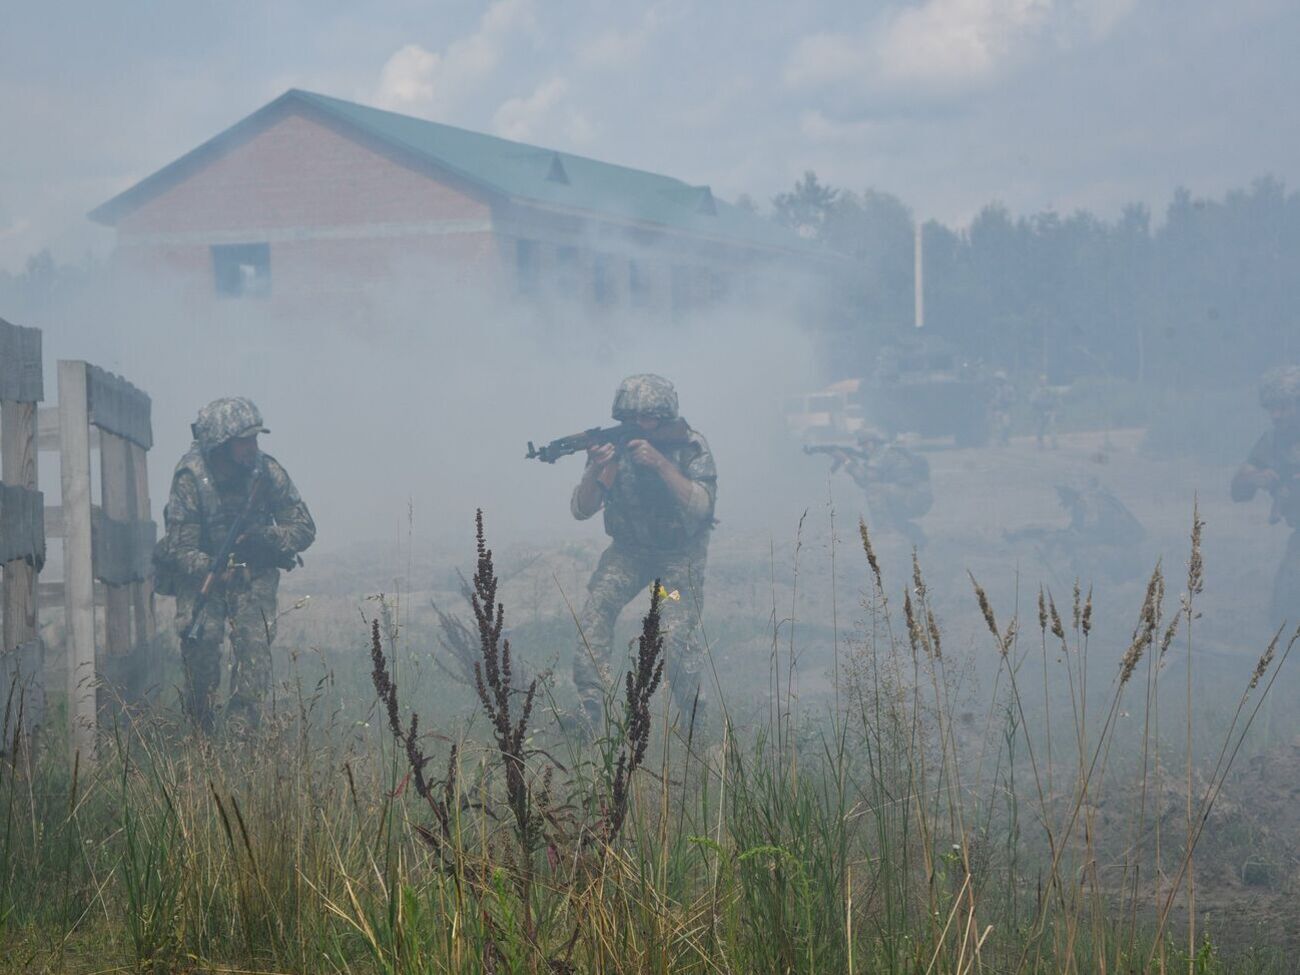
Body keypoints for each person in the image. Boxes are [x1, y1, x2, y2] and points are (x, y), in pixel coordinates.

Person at [155, 397, 315, 731]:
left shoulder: (267, 472)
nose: (252, 448)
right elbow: (180, 547)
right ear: (221, 444)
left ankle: (243, 739)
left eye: (255, 439)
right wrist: (215, 566)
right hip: (203, 577)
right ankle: (200, 732)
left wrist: (267, 539)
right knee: (201, 650)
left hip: (252, 576)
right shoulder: (190, 478)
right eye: (244, 441)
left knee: (254, 655)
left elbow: (303, 527)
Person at [570, 374, 716, 730]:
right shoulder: (614, 449)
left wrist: (661, 465)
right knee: (596, 609)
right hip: (630, 553)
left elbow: (702, 507)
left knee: (675, 630)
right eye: (631, 419)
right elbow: (581, 509)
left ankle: (696, 722)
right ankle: (589, 709)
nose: (638, 425)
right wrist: (595, 469)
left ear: (664, 418)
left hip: (677, 561)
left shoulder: (690, 446)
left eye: (647, 418)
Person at [1232, 365, 1300, 629]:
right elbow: (1238, 489)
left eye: (1283, 406)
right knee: (1287, 610)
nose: (1275, 415)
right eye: (1271, 407)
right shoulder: (1274, 441)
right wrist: (1254, 478)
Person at [842, 427, 932, 548]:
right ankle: (917, 537)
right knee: (894, 519)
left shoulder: (882, 453)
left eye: (864, 445)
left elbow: (867, 480)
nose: (864, 449)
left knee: (874, 490)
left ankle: (885, 532)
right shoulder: (891, 450)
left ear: (871, 442)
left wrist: (848, 463)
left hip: (912, 496)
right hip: (918, 496)